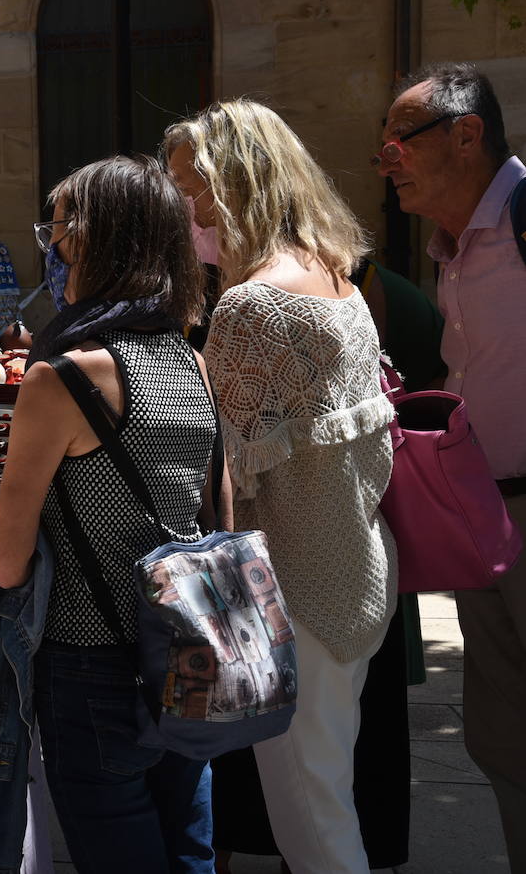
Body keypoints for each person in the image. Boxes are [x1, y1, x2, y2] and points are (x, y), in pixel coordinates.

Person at [164, 99, 395, 874]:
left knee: (315, 825)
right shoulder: (332, 271)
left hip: (297, 589)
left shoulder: (252, 302)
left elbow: (228, 464)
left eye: (194, 191)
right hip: (354, 563)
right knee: (328, 797)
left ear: (237, 183)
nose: (187, 212)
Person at [0, 155, 219, 874]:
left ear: (92, 242)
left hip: (94, 664)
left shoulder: (66, 379)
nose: (51, 250)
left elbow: (5, 561)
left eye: (56, 233)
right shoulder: (190, 362)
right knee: (186, 850)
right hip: (189, 654)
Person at [377, 62, 526, 870]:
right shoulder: (453, 246)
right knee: (501, 739)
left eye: (402, 140)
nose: (389, 157)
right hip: (486, 525)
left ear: (466, 134)